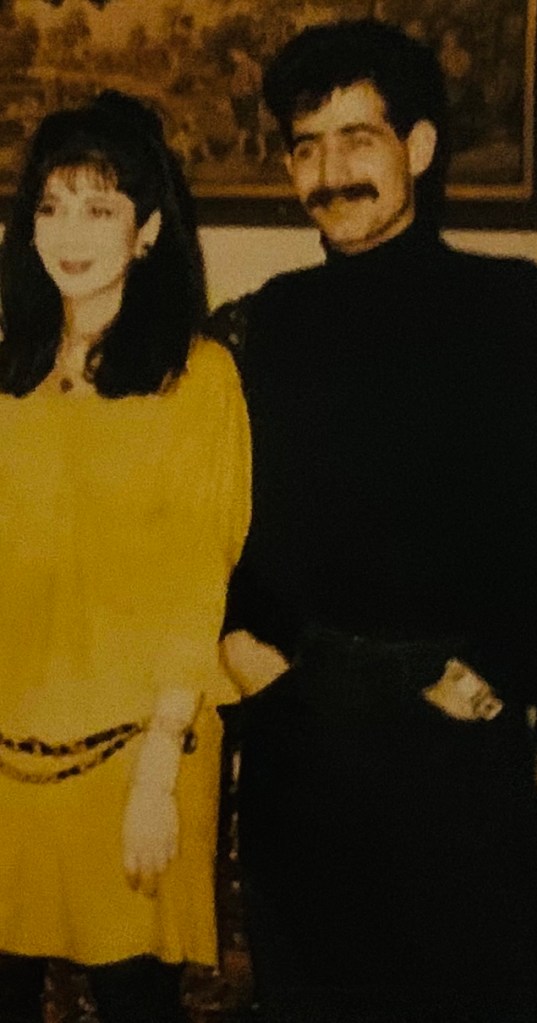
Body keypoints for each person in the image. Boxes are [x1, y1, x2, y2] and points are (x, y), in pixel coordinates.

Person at [211, 19, 537, 1023]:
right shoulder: (266, 324)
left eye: (357, 139)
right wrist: (242, 637)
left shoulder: (520, 313)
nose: (330, 172)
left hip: (449, 744)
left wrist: (500, 667)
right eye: (306, 146)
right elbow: (214, 512)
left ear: (417, 147)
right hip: (297, 735)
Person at [0, 91, 250, 1023]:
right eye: (51, 206)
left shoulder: (198, 378)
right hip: (8, 755)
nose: (70, 232)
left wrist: (155, 778)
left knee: (133, 998)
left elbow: (197, 585)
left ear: (146, 230)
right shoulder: (8, 372)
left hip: (138, 755)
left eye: (99, 207)